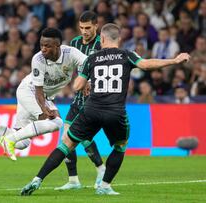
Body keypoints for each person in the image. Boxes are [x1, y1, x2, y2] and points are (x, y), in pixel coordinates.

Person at [20, 23, 190, 196]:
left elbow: (77, 86)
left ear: (101, 39)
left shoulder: (92, 58)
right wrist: (174, 60)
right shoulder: (126, 55)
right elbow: (146, 65)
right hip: (115, 111)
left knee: (66, 145)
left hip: (91, 109)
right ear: (119, 39)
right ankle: (105, 185)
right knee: (120, 145)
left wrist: (86, 81)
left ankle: (37, 179)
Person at [0, 27, 89, 161]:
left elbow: (89, 62)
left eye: (47, 46)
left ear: (58, 45)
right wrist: (44, 109)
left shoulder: (70, 53)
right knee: (56, 122)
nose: (43, 49)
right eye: (41, 45)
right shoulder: (38, 59)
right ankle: (9, 140)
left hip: (41, 95)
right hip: (29, 91)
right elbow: (38, 91)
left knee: (22, 143)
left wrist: (86, 79)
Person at [55, 11, 105, 191]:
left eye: (88, 28)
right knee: (66, 136)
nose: (84, 31)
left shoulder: (102, 44)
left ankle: (101, 169)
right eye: (82, 28)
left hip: (94, 96)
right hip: (78, 97)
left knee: (79, 135)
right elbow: (73, 67)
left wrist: (90, 82)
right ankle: (74, 180)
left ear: (96, 26)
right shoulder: (75, 43)